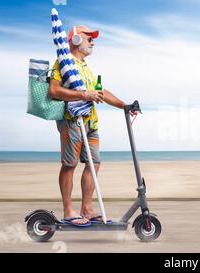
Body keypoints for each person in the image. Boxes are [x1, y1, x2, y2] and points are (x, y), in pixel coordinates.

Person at [49, 25, 137, 226]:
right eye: (89, 38)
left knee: (94, 162)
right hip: (72, 122)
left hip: (91, 122)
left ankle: (86, 208)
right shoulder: (62, 63)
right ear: (77, 40)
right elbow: (54, 91)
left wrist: (125, 106)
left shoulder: (86, 68)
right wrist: (83, 95)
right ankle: (68, 211)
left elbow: (101, 92)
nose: (93, 42)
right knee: (69, 165)